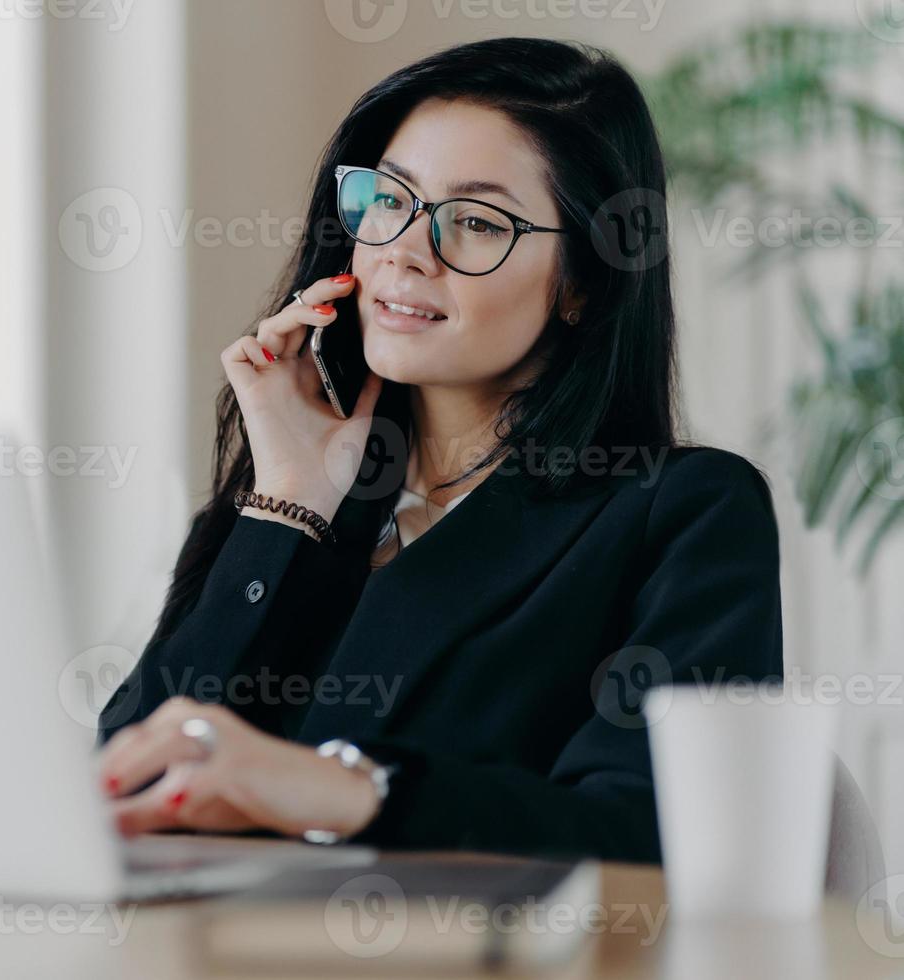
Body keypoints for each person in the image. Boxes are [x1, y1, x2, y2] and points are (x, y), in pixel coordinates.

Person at [94, 37, 783, 862]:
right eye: (389, 200)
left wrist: (354, 787)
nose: (405, 252)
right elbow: (123, 786)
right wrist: (288, 503)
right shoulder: (281, 508)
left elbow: (645, 835)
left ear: (581, 282)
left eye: (476, 222)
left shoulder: (680, 513)